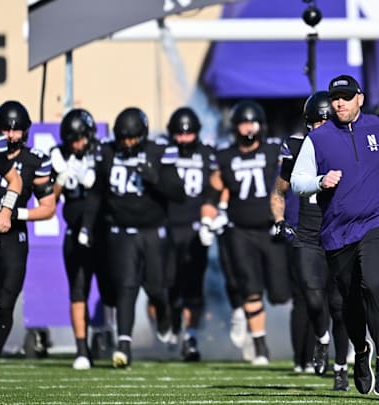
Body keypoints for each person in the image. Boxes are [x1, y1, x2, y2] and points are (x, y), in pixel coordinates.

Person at [291, 74, 379, 397]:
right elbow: (297, 181)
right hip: (338, 231)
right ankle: (361, 352)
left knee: (374, 283)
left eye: (346, 97)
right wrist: (319, 181)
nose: (340, 103)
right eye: (335, 98)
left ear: (360, 98)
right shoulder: (318, 139)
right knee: (348, 301)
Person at [80, 107, 186, 368]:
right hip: (121, 231)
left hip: (153, 231)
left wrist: (156, 178)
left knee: (156, 288)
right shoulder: (106, 152)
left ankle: (162, 312)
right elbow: (96, 193)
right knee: (126, 287)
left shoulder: (159, 151)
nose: (127, 143)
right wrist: (86, 226)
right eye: (123, 138)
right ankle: (123, 345)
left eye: (132, 138)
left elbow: (179, 193)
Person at [270, 91, 350, 390]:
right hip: (307, 231)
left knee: (340, 305)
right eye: (316, 122)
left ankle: (341, 367)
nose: (320, 127)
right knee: (312, 297)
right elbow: (279, 191)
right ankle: (321, 338)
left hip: (341, 231)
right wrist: (279, 221)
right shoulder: (296, 146)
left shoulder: (351, 145)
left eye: (325, 121)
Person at [203, 100, 291, 366]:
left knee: (280, 293)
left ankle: (259, 329)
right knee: (251, 289)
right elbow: (212, 192)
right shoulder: (225, 156)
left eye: (252, 122)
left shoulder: (274, 149)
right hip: (239, 231)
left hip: (269, 230)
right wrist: (209, 221)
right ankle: (260, 347)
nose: (248, 128)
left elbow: (295, 165)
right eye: (244, 123)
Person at [50, 108, 117, 369]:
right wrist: (61, 179)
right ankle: (81, 349)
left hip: (101, 231)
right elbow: (50, 200)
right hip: (74, 232)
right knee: (78, 290)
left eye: (81, 138)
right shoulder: (59, 155)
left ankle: (114, 337)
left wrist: (98, 179)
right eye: (72, 139)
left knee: (111, 290)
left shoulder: (102, 151)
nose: (77, 144)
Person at [161, 107, 219, 361]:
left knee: (194, 285)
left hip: (196, 227)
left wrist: (215, 214)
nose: (183, 139)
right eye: (179, 134)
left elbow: (217, 184)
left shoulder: (207, 154)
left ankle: (191, 335)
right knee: (167, 284)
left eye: (188, 134)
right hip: (168, 225)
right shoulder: (163, 151)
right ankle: (173, 322)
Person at [0, 101, 44, 377]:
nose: (11, 136)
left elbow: (16, 183)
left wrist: (9, 211)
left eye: (15, 131)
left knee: (6, 300)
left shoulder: (30, 160)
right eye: (5, 130)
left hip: (13, 234)